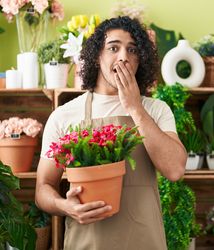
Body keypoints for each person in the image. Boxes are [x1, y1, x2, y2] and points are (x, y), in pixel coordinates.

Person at [35, 16, 187, 250]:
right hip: (86, 243)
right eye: (113, 48)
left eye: (132, 50)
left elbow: (175, 169)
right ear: (97, 56)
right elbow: (44, 186)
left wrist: (135, 108)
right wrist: (64, 206)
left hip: (144, 241)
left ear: (140, 61)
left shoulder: (156, 110)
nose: (124, 57)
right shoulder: (64, 115)